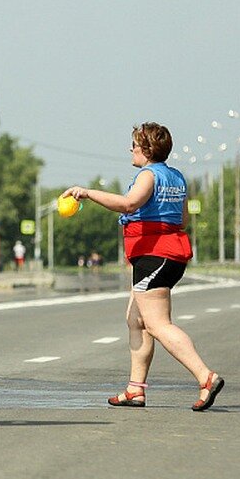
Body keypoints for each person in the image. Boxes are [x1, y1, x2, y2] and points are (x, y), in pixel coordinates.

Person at [62, 122, 224, 412]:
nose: (131, 148)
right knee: (136, 320)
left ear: (147, 150)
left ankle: (205, 376)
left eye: (135, 144)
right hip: (169, 256)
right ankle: (135, 390)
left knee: (158, 324)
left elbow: (128, 204)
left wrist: (87, 193)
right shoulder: (176, 177)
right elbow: (183, 220)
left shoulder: (148, 175)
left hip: (154, 256)